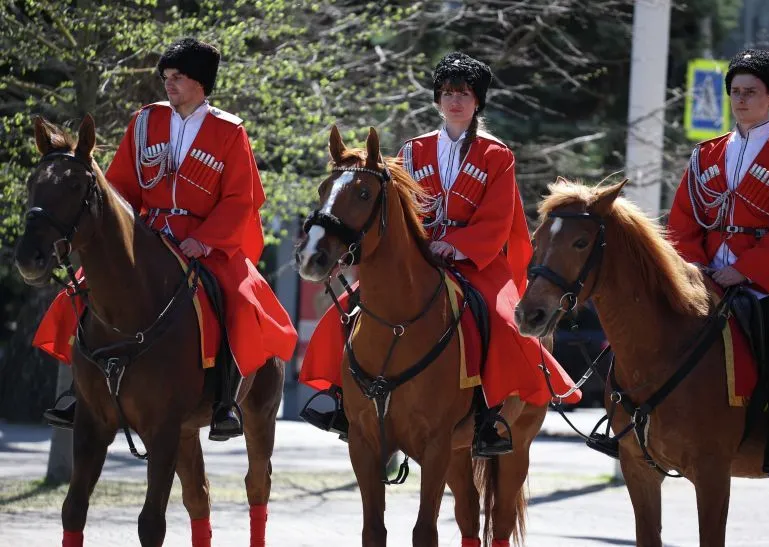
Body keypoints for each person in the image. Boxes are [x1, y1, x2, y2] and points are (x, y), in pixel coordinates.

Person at [299, 51, 581, 458]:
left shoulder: (496, 155)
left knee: (503, 323)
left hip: (476, 263)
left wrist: (458, 244)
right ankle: (343, 404)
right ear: (437, 99)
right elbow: (394, 211)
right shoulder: (412, 150)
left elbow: (499, 219)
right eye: (448, 92)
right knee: (345, 311)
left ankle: (489, 417)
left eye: (464, 94)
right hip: (420, 258)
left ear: (477, 101)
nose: (455, 101)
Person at [37, 37, 298, 441]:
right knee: (88, 288)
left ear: (200, 83)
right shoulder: (145, 121)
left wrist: (206, 240)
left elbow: (239, 200)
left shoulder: (229, 132)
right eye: (166, 76)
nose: (168, 84)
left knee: (235, 301)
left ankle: (225, 399)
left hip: (204, 243)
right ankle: (80, 389)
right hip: (148, 236)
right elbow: (121, 185)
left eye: (178, 77)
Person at [668, 49, 769, 476]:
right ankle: (628, 422)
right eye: (735, 92)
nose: (740, 100)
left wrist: (746, 269)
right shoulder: (705, 155)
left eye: (750, 92)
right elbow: (682, 222)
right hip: (704, 273)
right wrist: (695, 269)